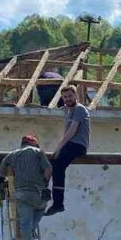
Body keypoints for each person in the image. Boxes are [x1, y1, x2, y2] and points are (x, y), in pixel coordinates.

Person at [0, 135, 52, 240]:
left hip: (21, 194)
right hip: (38, 193)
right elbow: (48, 170)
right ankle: (33, 228)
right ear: (34, 144)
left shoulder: (13, 154)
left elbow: (0, 173)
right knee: (42, 208)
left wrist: (10, 177)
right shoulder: (39, 152)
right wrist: (45, 182)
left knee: (25, 222)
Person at [43, 85, 89, 217]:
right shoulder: (70, 111)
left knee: (56, 164)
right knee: (55, 166)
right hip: (71, 144)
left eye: (70, 96)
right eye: (65, 97)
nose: (68, 99)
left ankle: (57, 203)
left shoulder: (79, 109)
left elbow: (72, 131)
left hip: (78, 145)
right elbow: (67, 128)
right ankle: (50, 196)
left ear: (76, 96)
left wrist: (58, 148)